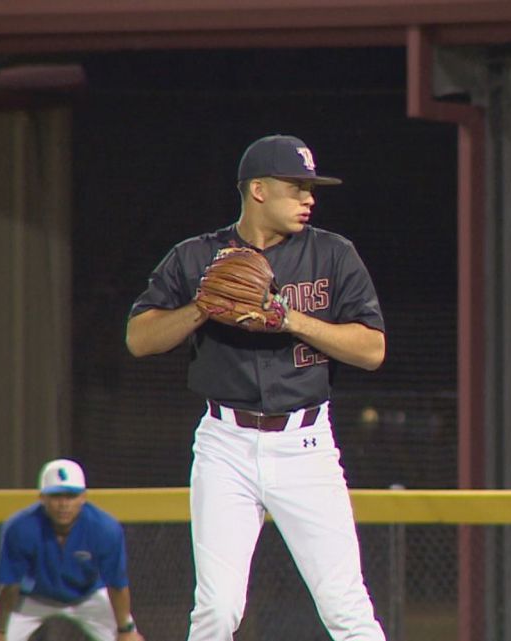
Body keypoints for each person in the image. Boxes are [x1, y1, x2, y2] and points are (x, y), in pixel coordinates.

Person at [125, 134, 388, 641]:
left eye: (312, 189)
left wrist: (291, 318)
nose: (310, 198)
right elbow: (138, 338)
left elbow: (372, 349)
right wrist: (203, 307)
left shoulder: (333, 255)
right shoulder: (197, 256)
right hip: (226, 444)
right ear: (259, 190)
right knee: (217, 610)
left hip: (306, 444)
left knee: (346, 608)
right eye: (298, 187)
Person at [0, 459, 145, 641]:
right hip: (33, 597)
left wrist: (125, 630)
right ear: (42, 497)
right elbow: (10, 585)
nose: (64, 504)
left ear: (83, 497)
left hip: (88, 596)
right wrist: (0, 631)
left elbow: (117, 585)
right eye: (56, 496)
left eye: (71, 496)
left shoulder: (105, 528)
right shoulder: (20, 528)